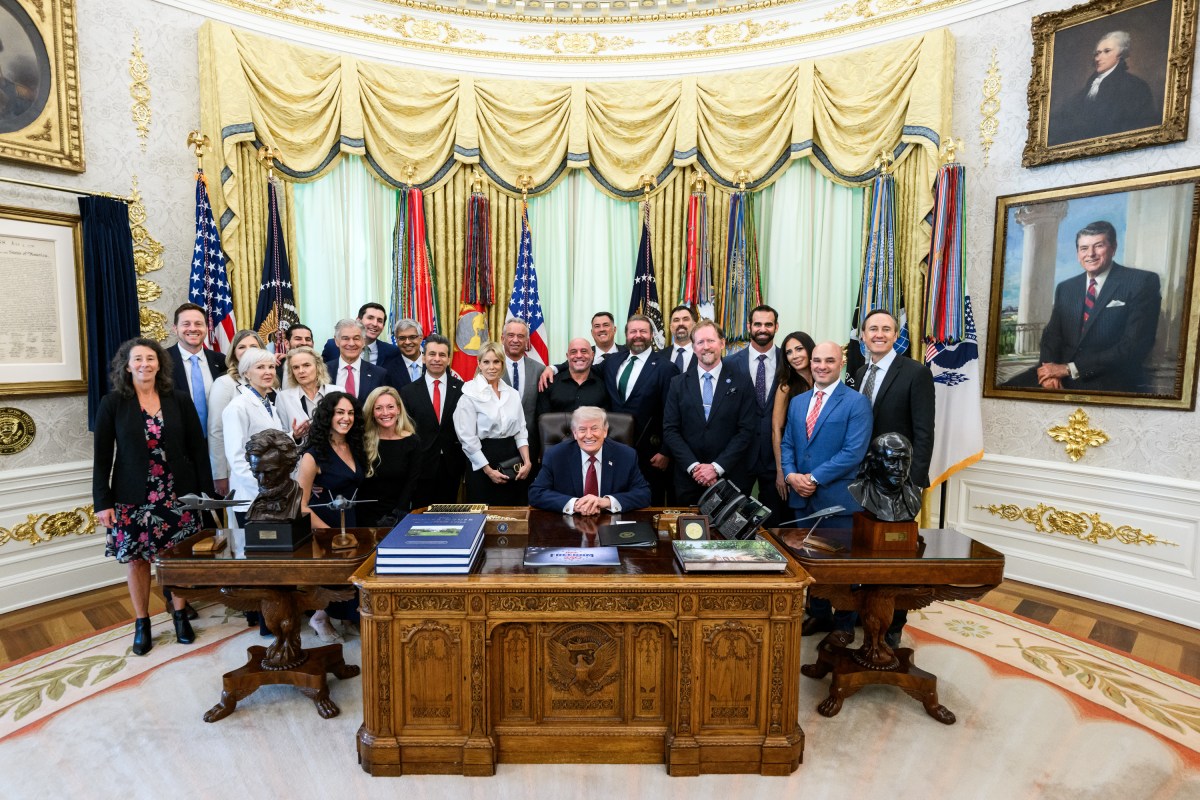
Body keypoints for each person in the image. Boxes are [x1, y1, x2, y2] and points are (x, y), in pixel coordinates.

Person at [93, 338, 212, 655]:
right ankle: (142, 622)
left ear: (159, 363)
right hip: (132, 497)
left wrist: (205, 493)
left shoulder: (179, 399)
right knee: (137, 561)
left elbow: (197, 448)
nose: (144, 364)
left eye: (150, 358)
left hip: (177, 494)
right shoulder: (113, 402)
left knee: (178, 560)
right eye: (138, 359)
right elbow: (102, 457)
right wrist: (102, 502)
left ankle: (180, 616)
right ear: (127, 365)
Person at [780, 341, 873, 635]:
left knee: (841, 567)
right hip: (801, 497)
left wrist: (813, 478)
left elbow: (853, 452)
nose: (821, 366)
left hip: (837, 500)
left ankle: (843, 627)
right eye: (817, 360)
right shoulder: (798, 402)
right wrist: (792, 474)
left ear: (840, 364)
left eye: (829, 361)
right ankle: (818, 615)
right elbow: (788, 444)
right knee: (809, 563)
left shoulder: (856, 402)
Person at [1007, 220, 1161, 393]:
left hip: (1107, 378)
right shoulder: (1066, 288)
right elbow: (1051, 337)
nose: (1091, 254)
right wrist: (1049, 373)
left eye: (1099, 246)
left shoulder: (1141, 282)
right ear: (1077, 253)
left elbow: (1133, 347)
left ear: (1113, 247)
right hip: (1059, 374)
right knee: (1003, 392)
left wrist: (1068, 369)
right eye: (1084, 248)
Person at [662, 320, 757, 504]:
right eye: (700, 342)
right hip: (688, 479)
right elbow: (670, 430)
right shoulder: (677, 384)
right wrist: (695, 468)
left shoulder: (742, 382)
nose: (706, 347)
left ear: (722, 343)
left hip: (730, 478)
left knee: (728, 533)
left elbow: (746, 430)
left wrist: (716, 468)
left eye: (711, 341)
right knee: (686, 532)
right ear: (693, 347)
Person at [296, 392, 366, 641]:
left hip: (351, 521)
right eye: (340, 412)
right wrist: (328, 532)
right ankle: (319, 618)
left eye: (350, 413)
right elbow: (301, 505)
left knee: (351, 574)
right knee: (330, 577)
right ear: (328, 416)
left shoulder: (353, 446)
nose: (346, 418)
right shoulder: (313, 455)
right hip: (327, 526)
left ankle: (347, 617)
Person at [854, 309, 935, 489]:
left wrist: (914, 482)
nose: (879, 335)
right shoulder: (860, 373)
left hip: (898, 477)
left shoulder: (917, 373)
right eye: (873, 329)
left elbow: (924, 433)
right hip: (861, 474)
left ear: (896, 335)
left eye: (886, 329)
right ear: (863, 336)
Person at [725, 304, 786, 524]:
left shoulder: (788, 362)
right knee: (734, 518)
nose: (763, 329)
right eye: (757, 324)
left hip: (775, 456)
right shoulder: (729, 363)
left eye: (768, 324)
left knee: (774, 521)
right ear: (749, 326)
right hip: (740, 455)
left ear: (776, 327)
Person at [454, 341, 533, 505]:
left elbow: (520, 431)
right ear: (479, 364)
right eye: (486, 362)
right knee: (484, 516)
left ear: (502, 364)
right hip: (482, 461)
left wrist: (527, 462)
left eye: (496, 361)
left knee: (514, 514)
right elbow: (467, 439)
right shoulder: (468, 394)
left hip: (512, 461)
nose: (492, 367)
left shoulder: (512, 393)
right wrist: (488, 471)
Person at [529, 407, 650, 514]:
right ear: (575, 433)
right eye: (582, 430)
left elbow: (643, 494)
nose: (588, 435)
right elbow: (536, 493)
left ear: (605, 431)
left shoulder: (626, 455)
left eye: (594, 428)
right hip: (568, 528)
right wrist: (575, 504)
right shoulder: (555, 455)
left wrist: (606, 502)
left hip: (611, 528)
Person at [1049, 31, 1160, 146]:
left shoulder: (1135, 86)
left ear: (1121, 54)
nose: (1098, 58)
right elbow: (1066, 117)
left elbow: (1139, 127)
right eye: (1097, 53)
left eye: (1107, 51)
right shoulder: (1089, 88)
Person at [401, 334, 466, 508]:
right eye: (432, 354)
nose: (437, 359)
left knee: (449, 517)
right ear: (423, 357)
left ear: (448, 359)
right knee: (421, 518)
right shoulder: (408, 392)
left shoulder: (462, 389)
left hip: (452, 466)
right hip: (420, 466)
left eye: (442, 355)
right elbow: (405, 430)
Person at [221, 347, 285, 521]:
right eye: (260, 367)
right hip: (251, 496)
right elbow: (236, 457)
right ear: (246, 373)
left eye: (271, 367)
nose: (268, 372)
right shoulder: (237, 407)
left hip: (271, 493)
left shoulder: (268, 404)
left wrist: (295, 436)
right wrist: (262, 488)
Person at [207, 330, 266, 497]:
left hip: (270, 469)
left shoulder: (271, 382)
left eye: (253, 346)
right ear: (234, 353)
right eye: (242, 347)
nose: (248, 350)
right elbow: (216, 431)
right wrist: (220, 474)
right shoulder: (224, 383)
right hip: (238, 470)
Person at [359, 386, 421, 528]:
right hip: (364, 518)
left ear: (398, 409)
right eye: (379, 408)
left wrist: (397, 514)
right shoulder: (361, 440)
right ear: (372, 412)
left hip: (398, 517)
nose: (385, 413)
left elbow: (411, 483)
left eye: (390, 407)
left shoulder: (412, 442)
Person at [166, 303, 227, 434]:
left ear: (206, 327)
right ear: (175, 329)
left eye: (198, 324)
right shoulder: (161, 361)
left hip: (216, 440)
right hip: (178, 440)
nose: (193, 329)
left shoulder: (221, 360)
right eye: (186, 324)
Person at [772, 331, 816, 504]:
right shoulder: (786, 387)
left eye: (799, 349)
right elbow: (776, 430)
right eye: (789, 352)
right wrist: (781, 470)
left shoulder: (825, 382)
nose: (794, 356)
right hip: (794, 463)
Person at [849, 433, 923, 523]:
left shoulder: (914, 495)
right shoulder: (858, 491)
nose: (900, 468)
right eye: (892, 461)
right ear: (873, 462)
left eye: (905, 461)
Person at [499, 318, 544, 453]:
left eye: (521, 336)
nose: (515, 340)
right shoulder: (491, 368)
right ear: (502, 339)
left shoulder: (540, 370)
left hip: (531, 445)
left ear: (527, 340)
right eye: (511, 335)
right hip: (499, 444)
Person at [276, 346, 338, 441]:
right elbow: (281, 434)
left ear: (318, 367)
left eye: (306, 365)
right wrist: (295, 436)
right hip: (301, 453)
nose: (301, 371)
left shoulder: (337, 392)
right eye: (296, 367)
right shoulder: (283, 397)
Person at [536, 337, 610, 416]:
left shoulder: (604, 385)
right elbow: (542, 421)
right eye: (573, 352)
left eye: (584, 351)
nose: (578, 355)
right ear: (567, 356)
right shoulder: (549, 383)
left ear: (592, 355)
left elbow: (607, 421)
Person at [320, 302, 400, 369]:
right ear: (358, 320)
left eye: (380, 321)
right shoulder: (332, 346)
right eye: (370, 318)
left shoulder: (392, 352)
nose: (375, 324)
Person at [326, 318, 388, 402]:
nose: (351, 344)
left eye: (356, 338)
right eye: (346, 338)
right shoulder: (324, 371)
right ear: (337, 341)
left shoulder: (379, 374)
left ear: (363, 341)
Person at [384, 318, 425, 389]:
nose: (407, 342)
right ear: (396, 340)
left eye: (412, 337)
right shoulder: (388, 369)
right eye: (402, 338)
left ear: (421, 338)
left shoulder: (435, 362)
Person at [667, 304, 698, 372]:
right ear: (671, 327)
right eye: (676, 320)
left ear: (694, 325)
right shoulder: (660, 356)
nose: (681, 323)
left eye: (685, 319)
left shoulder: (703, 354)